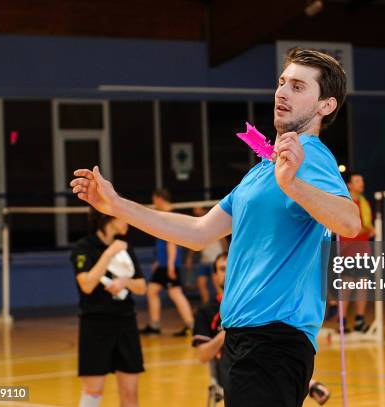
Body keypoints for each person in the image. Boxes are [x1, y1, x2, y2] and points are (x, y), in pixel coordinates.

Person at [70, 47, 360, 407]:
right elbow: (198, 232)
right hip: (243, 338)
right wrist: (117, 205)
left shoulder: (309, 155)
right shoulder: (263, 170)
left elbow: (349, 222)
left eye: (298, 87)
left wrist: (294, 185)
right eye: (282, 82)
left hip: (275, 339)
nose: (282, 92)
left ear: (325, 106)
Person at [192, 253, 331, 405]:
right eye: (222, 269)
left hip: (265, 364)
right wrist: (224, 335)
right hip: (231, 371)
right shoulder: (206, 311)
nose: (227, 273)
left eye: (230, 268)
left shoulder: (254, 305)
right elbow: (202, 355)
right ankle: (309, 384)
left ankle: (307, 382)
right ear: (214, 275)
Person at [70, 209, 146, 407]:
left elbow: (141, 286)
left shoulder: (126, 247)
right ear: (109, 218)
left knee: (130, 395)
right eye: (124, 216)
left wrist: (124, 282)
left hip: (125, 323)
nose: (128, 222)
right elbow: (86, 285)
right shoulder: (83, 248)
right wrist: (109, 253)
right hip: (95, 325)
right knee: (93, 391)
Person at [140, 189, 194, 337]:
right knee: (152, 291)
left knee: (175, 293)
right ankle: (155, 325)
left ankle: (191, 325)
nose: (154, 204)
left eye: (154, 200)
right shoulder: (164, 215)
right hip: (164, 264)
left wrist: (170, 265)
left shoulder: (169, 216)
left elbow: (171, 242)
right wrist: (159, 260)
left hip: (169, 265)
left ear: (159, 199)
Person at [334, 171, 375, 332]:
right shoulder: (344, 202)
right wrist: (366, 229)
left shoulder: (364, 203)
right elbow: (347, 227)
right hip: (347, 251)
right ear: (349, 185)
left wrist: (369, 230)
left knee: (363, 284)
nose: (361, 183)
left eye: (362, 180)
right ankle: (342, 321)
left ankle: (359, 320)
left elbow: (366, 226)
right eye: (357, 181)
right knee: (346, 285)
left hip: (363, 250)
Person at [185, 206, 229, 304]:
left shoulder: (215, 224)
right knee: (201, 283)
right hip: (204, 260)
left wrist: (225, 256)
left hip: (215, 259)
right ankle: (206, 308)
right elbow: (194, 242)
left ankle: (223, 307)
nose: (195, 210)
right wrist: (189, 257)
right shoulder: (197, 225)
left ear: (204, 210)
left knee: (218, 285)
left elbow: (224, 243)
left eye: (198, 208)